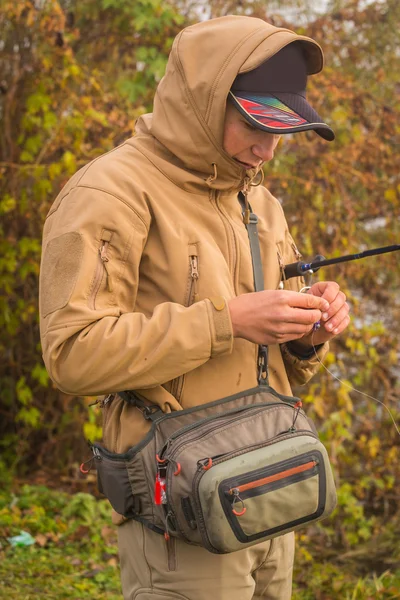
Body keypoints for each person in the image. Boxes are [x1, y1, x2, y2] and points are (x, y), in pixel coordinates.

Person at [39, 15, 350, 600]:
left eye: (283, 129)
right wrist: (224, 321)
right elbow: (72, 354)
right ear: (202, 104)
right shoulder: (108, 193)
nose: (268, 146)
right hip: (179, 520)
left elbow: (278, 357)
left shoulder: (259, 197)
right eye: (255, 124)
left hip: (269, 491)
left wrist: (309, 329)